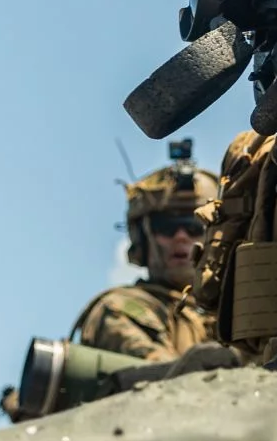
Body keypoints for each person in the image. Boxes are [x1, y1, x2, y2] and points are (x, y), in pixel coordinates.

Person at [68, 145, 219, 362]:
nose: (181, 237)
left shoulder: (240, 313)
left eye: (195, 226)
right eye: (166, 227)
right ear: (142, 239)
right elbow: (163, 375)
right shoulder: (120, 309)